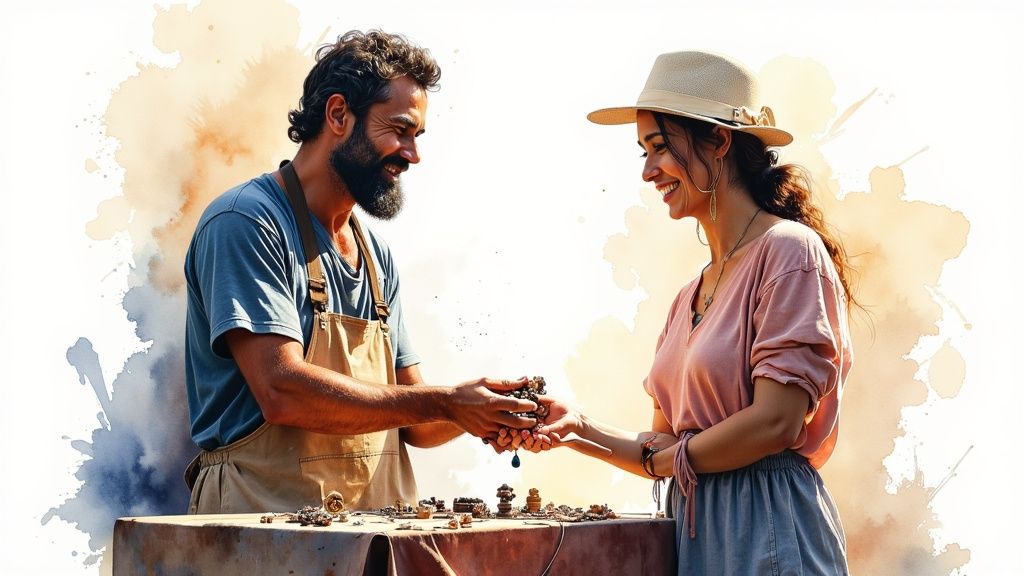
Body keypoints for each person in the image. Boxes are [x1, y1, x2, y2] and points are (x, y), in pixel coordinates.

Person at [513, 51, 854, 574]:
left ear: (718, 141)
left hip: (772, 534)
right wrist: (576, 428)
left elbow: (776, 422)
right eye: (643, 152)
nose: (648, 171)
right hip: (701, 541)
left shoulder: (788, 252)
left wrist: (669, 461)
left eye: (659, 147)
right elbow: (666, 442)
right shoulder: (687, 296)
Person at [182, 29, 538, 515]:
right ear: (337, 115)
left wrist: (492, 409)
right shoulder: (246, 222)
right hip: (259, 535)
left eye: (417, 136)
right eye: (399, 130)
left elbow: (415, 421)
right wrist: (448, 402)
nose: (412, 155)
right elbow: (281, 391)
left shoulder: (376, 258)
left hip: (367, 538)